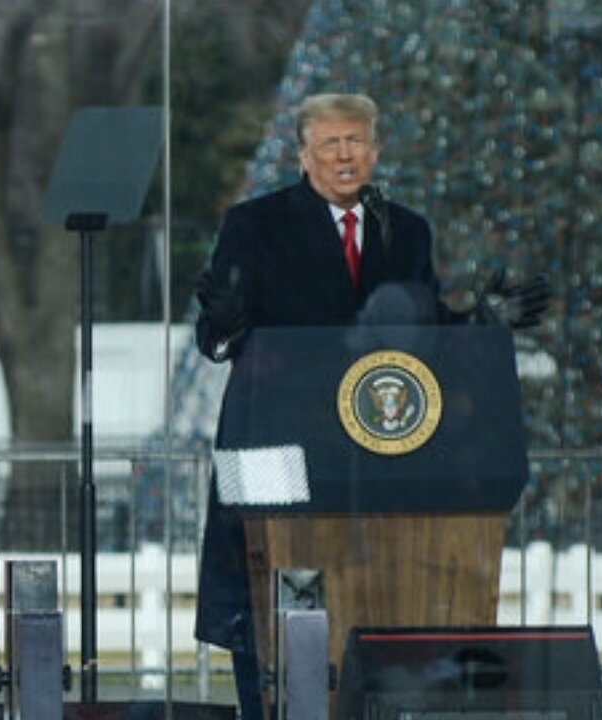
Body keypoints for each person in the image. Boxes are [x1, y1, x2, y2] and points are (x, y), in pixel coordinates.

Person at [193, 92, 548, 719]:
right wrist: (225, 323)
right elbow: (219, 335)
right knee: (266, 612)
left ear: (376, 152)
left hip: (379, 467)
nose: (344, 155)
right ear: (303, 155)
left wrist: (481, 324)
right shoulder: (255, 225)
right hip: (276, 450)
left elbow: (422, 338)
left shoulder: (403, 230)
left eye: (355, 141)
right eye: (329, 143)